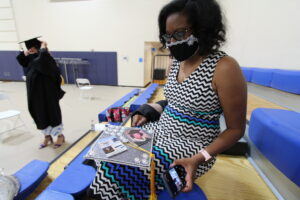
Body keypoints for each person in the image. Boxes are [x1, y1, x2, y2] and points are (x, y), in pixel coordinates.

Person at [89, 0, 247, 199]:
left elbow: (235, 129)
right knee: (105, 146)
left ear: (203, 28)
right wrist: (150, 110)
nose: (172, 42)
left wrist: (200, 158)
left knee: (121, 166)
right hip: (159, 131)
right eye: (168, 36)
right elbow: (174, 101)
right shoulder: (176, 62)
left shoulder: (224, 67)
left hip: (193, 145)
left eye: (180, 34)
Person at [16, 37, 66, 149]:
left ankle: (60, 136)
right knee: (39, 113)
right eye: (29, 49)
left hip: (48, 94)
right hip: (34, 94)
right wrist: (24, 53)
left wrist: (43, 50)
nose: (31, 50)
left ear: (39, 48)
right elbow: (22, 62)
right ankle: (47, 136)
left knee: (52, 113)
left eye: (33, 48)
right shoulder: (32, 57)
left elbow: (42, 63)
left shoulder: (47, 58)